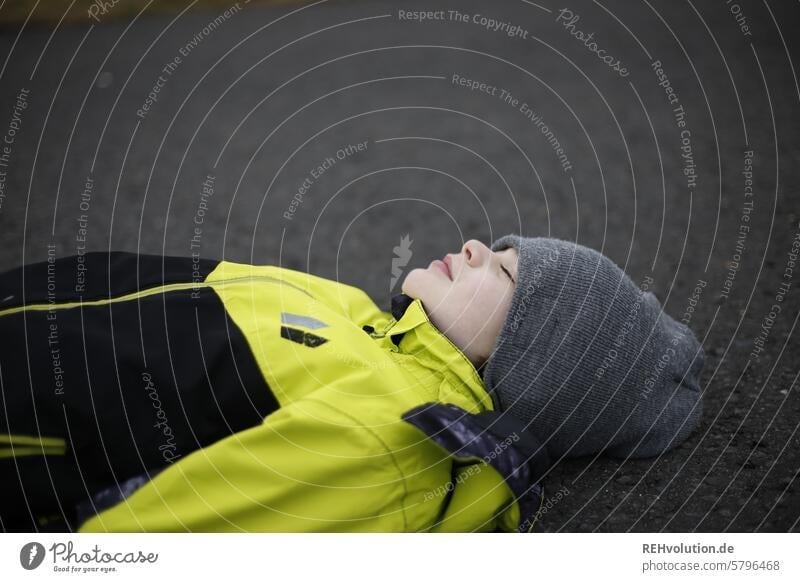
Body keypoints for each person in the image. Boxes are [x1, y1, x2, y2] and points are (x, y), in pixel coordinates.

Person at [0, 235, 703, 532]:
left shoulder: (399, 439)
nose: (475, 247)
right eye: (501, 244)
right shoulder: (361, 320)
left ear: (541, 364)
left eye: (509, 272)